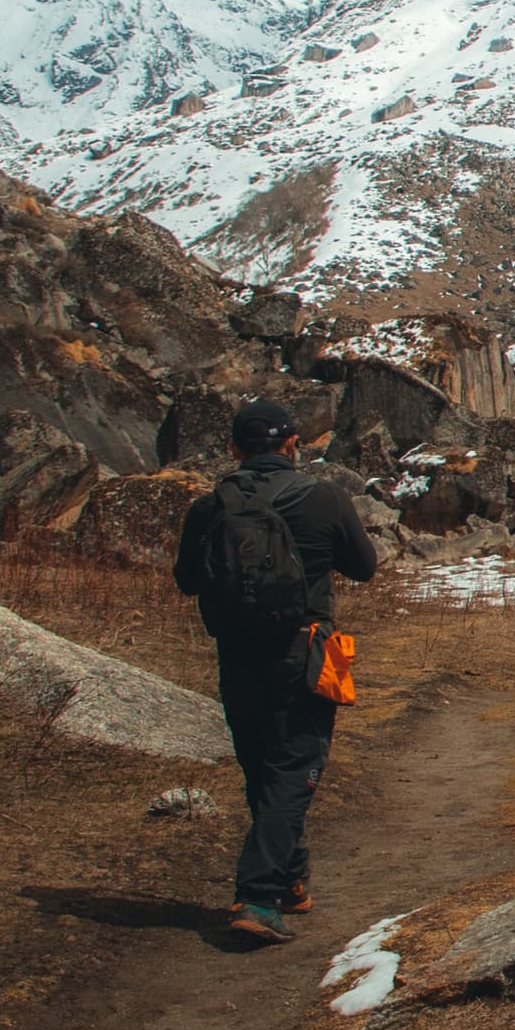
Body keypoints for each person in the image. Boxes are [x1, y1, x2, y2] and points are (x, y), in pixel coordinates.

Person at [171, 398, 377, 944]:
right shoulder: (323, 497)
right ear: (292, 445)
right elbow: (364, 567)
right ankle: (259, 898)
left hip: (236, 653)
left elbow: (186, 581)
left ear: (234, 448)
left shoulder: (209, 507)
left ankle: (289, 880)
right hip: (305, 651)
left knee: (262, 768)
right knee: (294, 769)